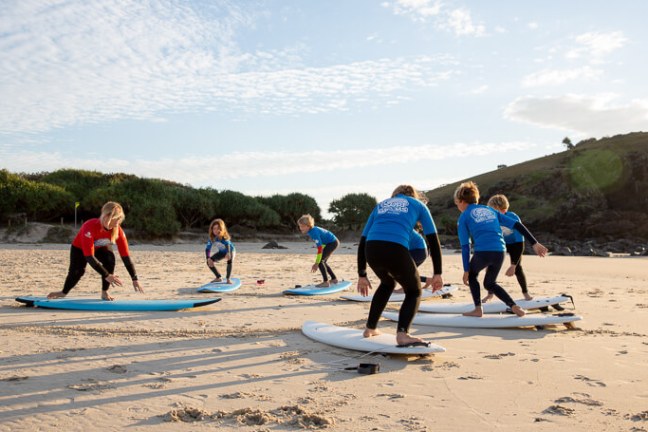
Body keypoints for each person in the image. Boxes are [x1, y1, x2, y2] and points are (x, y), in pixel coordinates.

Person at [357, 184, 443, 347]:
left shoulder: (381, 205)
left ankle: (370, 328)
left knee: (387, 283)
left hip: (371, 249)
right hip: (395, 248)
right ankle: (402, 334)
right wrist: (437, 272)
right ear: (414, 195)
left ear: (395, 195)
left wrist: (362, 274)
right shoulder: (419, 205)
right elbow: (433, 239)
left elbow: (362, 241)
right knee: (414, 291)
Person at [454, 182, 548, 317]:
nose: (457, 206)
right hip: (500, 251)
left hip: (483, 252)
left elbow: (465, 246)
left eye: (457, 203)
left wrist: (466, 270)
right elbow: (517, 225)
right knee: (490, 283)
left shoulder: (463, 217)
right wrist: (534, 243)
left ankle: (477, 309)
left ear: (462, 202)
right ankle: (514, 306)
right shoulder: (490, 210)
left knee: (473, 276)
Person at [47, 201, 143, 301]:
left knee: (109, 259)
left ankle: (104, 292)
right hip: (79, 249)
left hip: (99, 249)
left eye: (119, 220)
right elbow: (89, 256)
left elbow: (125, 256)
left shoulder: (117, 230)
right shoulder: (90, 226)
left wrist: (134, 278)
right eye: (116, 220)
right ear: (107, 217)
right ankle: (63, 292)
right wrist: (106, 275)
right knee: (77, 272)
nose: (117, 223)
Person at [485, 194, 533, 301]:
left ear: (503, 210)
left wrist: (513, 265)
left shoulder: (513, 218)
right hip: (500, 243)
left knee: (517, 268)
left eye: (493, 211)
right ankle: (490, 293)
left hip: (515, 244)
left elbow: (520, 243)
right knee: (489, 266)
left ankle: (525, 293)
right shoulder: (491, 220)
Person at [297, 214, 340, 287]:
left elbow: (319, 248)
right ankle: (334, 279)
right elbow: (322, 243)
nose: (300, 228)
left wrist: (316, 263)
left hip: (332, 242)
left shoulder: (313, 232)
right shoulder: (312, 231)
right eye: (299, 226)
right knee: (323, 262)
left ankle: (326, 282)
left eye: (302, 226)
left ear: (308, 226)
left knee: (320, 262)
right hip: (331, 242)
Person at [205, 218, 236, 284]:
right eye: (214, 228)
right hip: (221, 252)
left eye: (218, 228)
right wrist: (208, 258)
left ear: (221, 228)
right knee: (209, 262)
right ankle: (218, 277)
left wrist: (228, 253)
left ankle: (228, 279)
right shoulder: (211, 238)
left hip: (230, 250)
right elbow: (208, 249)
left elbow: (227, 245)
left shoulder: (224, 236)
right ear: (211, 229)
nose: (216, 230)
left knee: (229, 260)